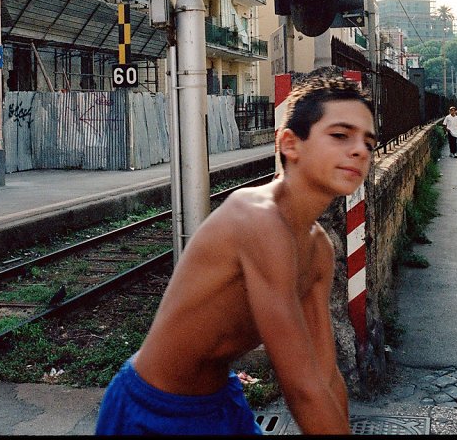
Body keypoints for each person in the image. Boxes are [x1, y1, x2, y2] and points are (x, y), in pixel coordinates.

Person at [94, 75, 375, 435]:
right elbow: (301, 389)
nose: (359, 150)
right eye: (340, 135)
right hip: (151, 411)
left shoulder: (318, 247)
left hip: (221, 405)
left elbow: (324, 376)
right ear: (289, 143)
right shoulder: (257, 217)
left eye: (368, 141)